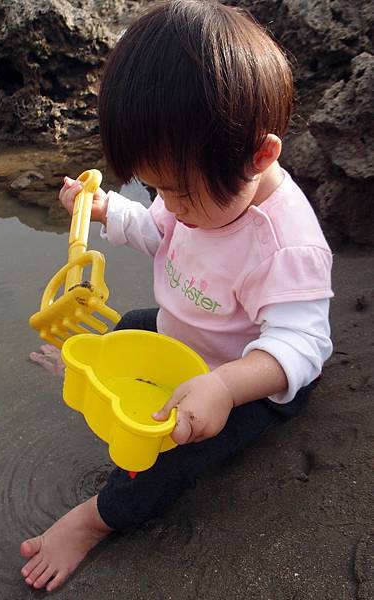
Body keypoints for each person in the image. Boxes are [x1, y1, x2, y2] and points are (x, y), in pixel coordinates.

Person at [21, 0, 333, 591]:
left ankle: (93, 522)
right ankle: (83, 367)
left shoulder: (285, 246)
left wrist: (222, 386)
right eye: (155, 187)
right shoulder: (191, 188)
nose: (173, 207)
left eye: (179, 192)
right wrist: (112, 210)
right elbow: (161, 233)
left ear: (259, 156)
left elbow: (302, 344)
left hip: (249, 382)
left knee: (165, 461)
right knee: (128, 327)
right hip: (183, 334)